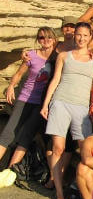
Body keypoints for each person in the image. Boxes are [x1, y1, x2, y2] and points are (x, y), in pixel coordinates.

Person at [40, 22, 93, 199]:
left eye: (85, 35)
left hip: (82, 108)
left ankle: (88, 190)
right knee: (58, 148)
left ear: (90, 36)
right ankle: (60, 194)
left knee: (86, 150)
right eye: (78, 35)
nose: (81, 38)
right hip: (60, 102)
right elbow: (55, 80)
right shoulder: (63, 56)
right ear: (74, 35)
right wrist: (46, 104)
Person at [0, 27, 56, 166]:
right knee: (9, 132)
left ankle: (11, 170)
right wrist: (12, 86)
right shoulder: (32, 55)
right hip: (25, 98)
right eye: (42, 38)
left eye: (49, 37)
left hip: (41, 102)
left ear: (54, 39)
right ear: (38, 40)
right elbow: (19, 74)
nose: (46, 40)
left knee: (27, 135)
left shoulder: (58, 56)